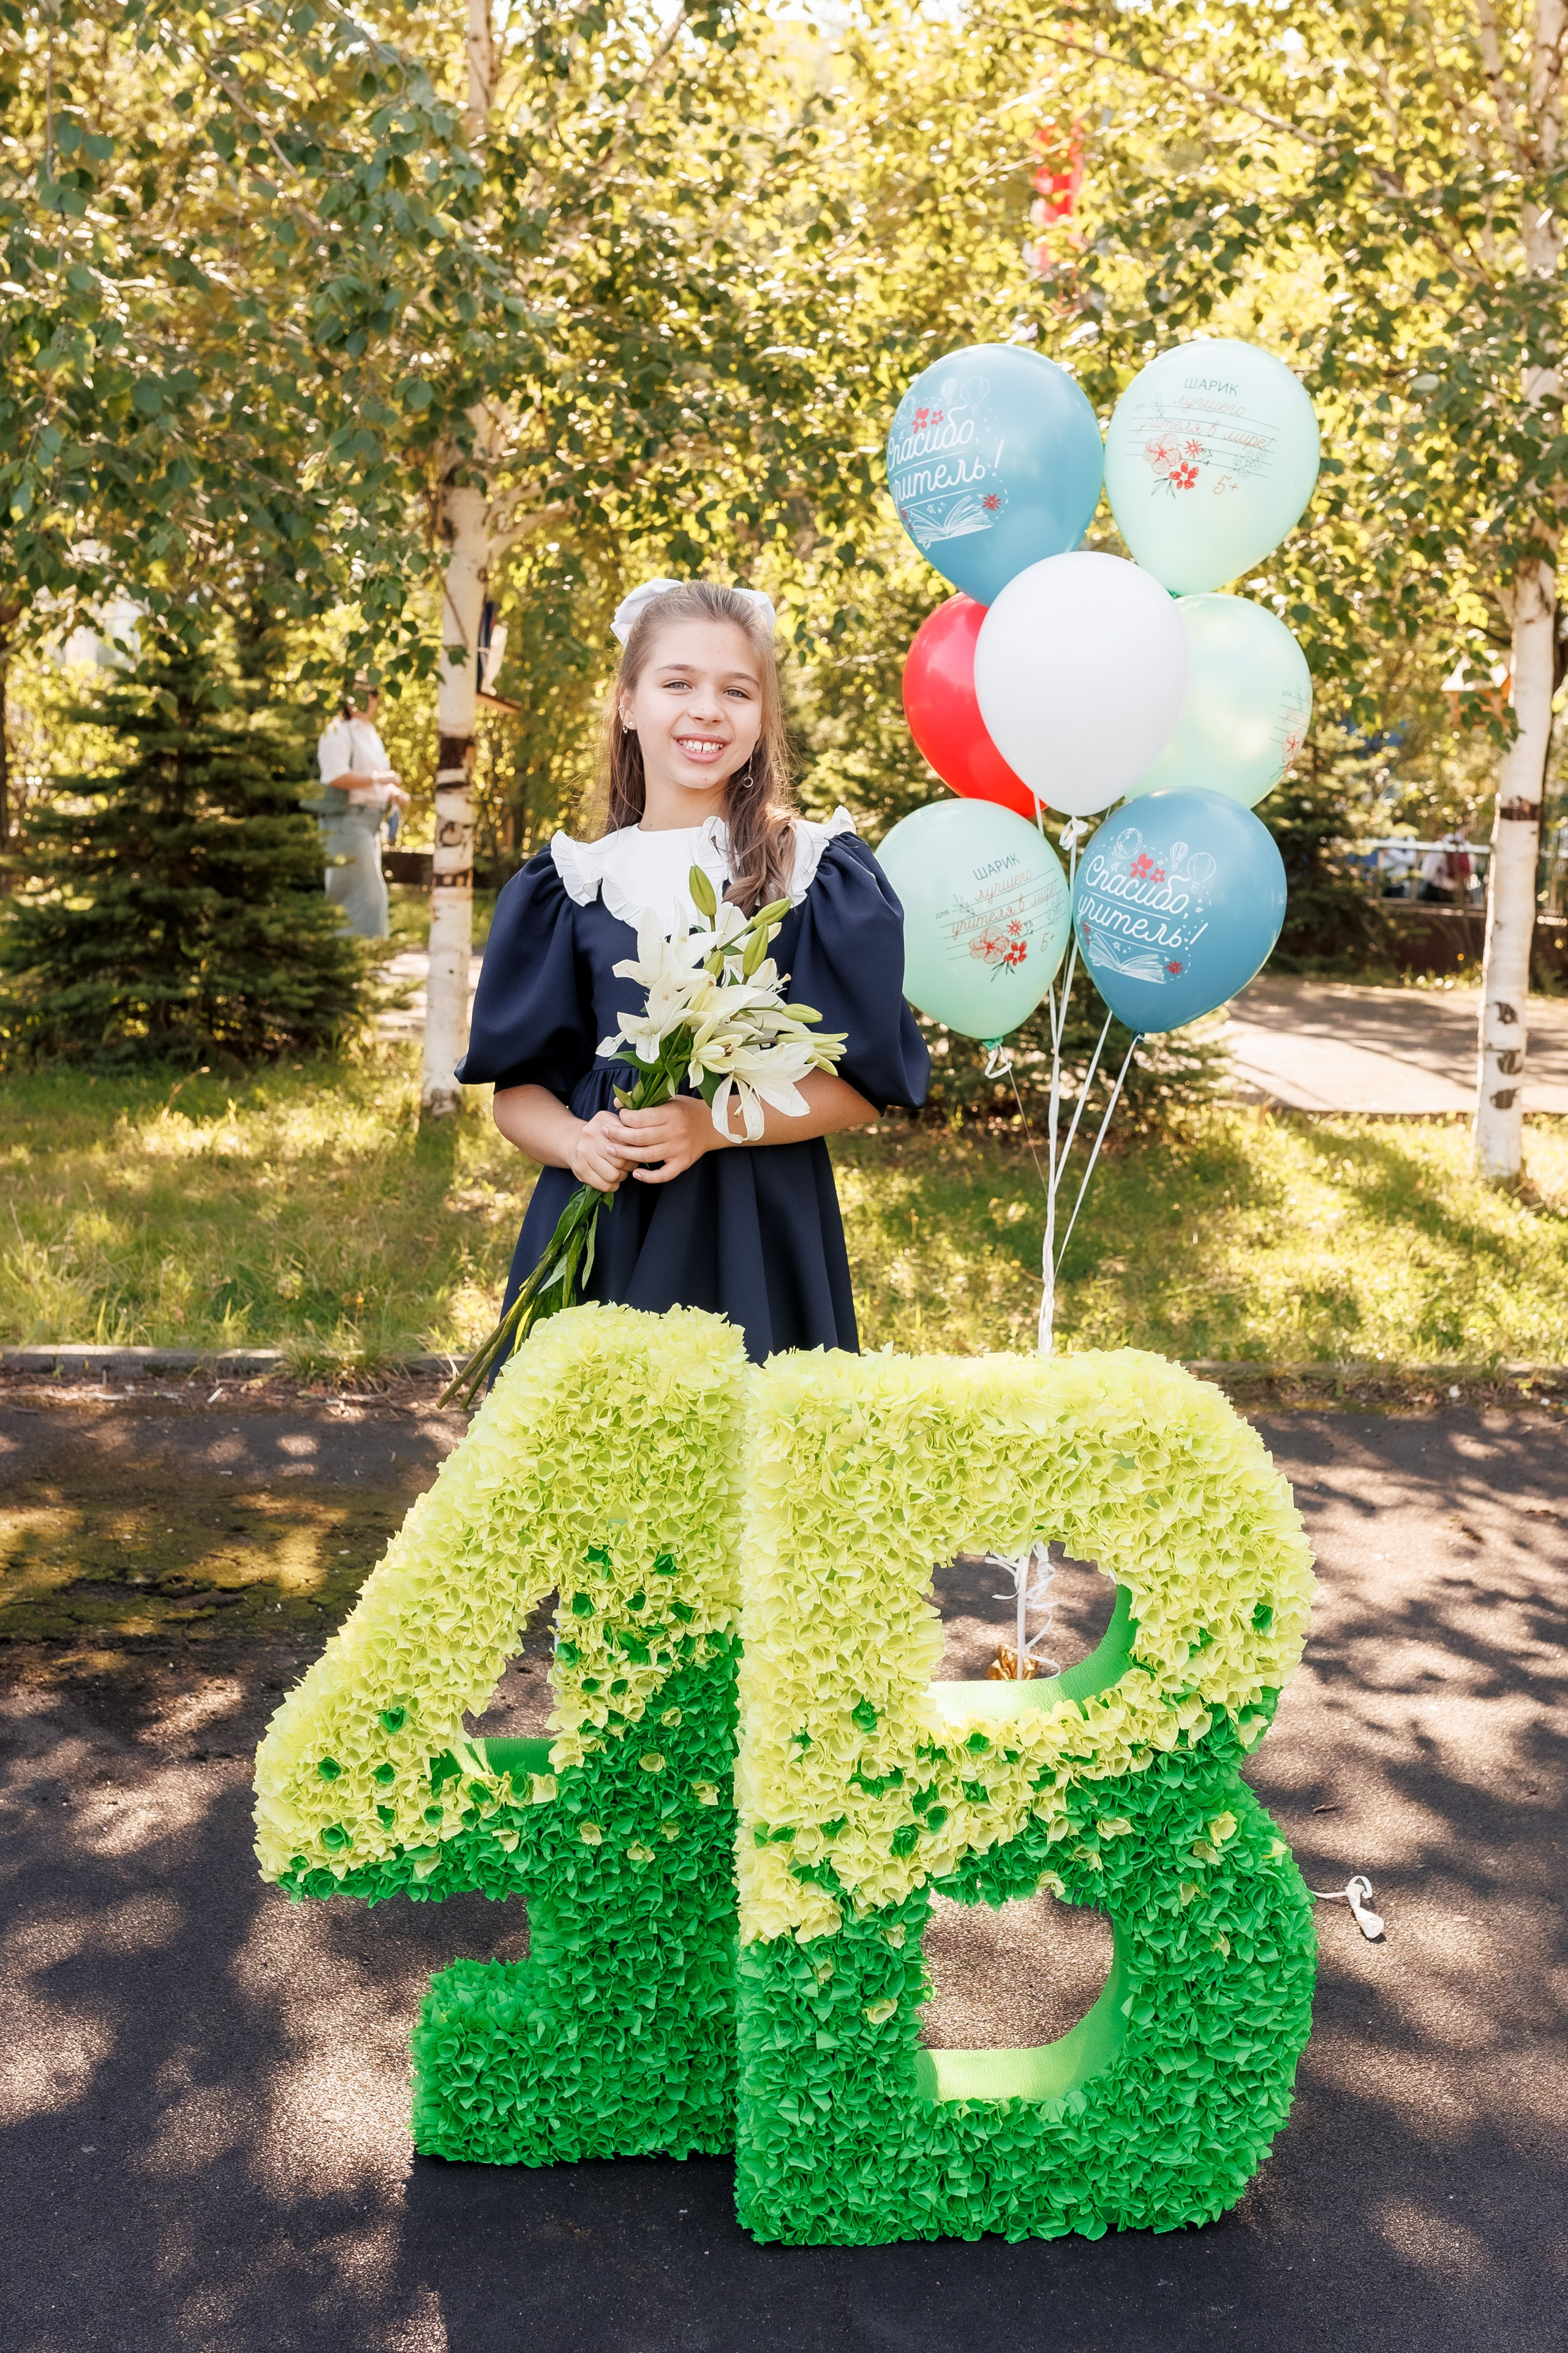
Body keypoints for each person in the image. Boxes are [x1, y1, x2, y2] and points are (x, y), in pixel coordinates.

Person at [454, 578, 929, 1366]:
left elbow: (860, 1092)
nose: (707, 709)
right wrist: (576, 1143)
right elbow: (518, 1096)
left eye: (736, 691)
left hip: (755, 1225)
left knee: (754, 1453)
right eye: (677, 683)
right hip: (606, 1225)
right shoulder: (571, 883)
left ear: (761, 718)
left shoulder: (811, 874)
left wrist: (711, 1125)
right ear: (627, 703)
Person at [315, 675, 410, 939]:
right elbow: (335, 776)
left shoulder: (369, 733)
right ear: (346, 697)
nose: (368, 699)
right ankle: (366, 966)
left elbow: (373, 781)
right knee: (367, 898)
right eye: (360, 693)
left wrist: (393, 793)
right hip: (346, 823)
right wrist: (382, 779)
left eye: (374, 693)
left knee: (362, 898)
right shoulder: (337, 731)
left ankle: (356, 968)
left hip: (370, 824)